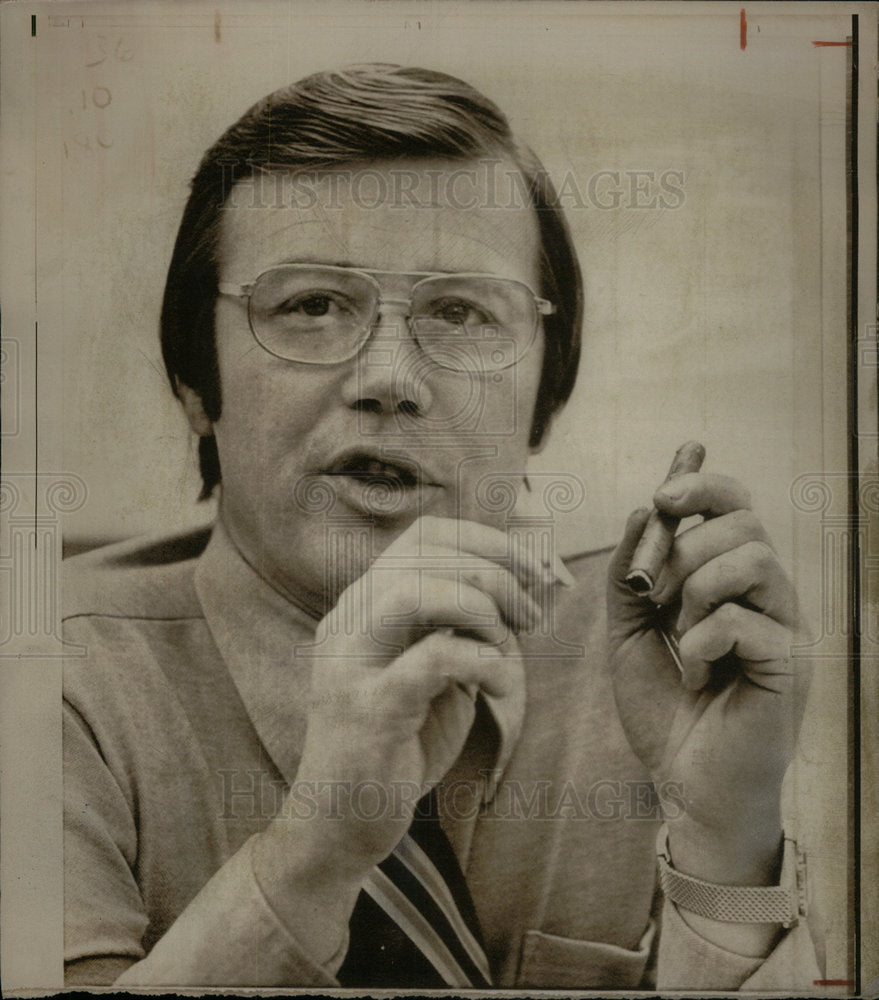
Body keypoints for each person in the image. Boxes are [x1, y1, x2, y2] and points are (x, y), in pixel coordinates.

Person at [62, 64, 821, 989]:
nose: (390, 376)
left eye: (461, 313)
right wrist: (317, 849)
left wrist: (723, 839)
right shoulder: (46, 687)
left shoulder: (688, 665)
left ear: (543, 396)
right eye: (310, 304)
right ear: (194, 383)